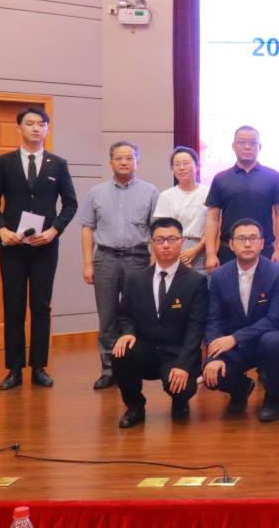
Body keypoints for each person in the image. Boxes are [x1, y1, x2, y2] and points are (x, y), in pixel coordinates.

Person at [0, 106, 78, 390]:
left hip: (44, 247)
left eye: (41, 124)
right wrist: (1, 230)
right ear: (19, 128)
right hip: (12, 246)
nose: (36, 128)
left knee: (40, 306)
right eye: (30, 123)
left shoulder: (58, 164)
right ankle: (14, 369)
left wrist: (54, 230)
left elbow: (70, 204)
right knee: (13, 306)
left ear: (47, 129)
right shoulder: (4, 163)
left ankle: (39, 367)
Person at [111, 217, 208, 428]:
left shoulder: (196, 282)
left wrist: (184, 365)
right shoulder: (135, 279)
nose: (165, 245)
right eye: (160, 240)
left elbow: (196, 328)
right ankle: (135, 406)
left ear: (181, 241)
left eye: (172, 239)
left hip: (176, 353)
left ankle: (180, 402)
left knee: (182, 388)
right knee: (120, 353)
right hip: (146, 349)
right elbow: (125, 315)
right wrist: (128, 332)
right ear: (152, 243)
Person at [80, 141, 159, 390]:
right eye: (119, 158)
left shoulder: (150, 192)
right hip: (105, 259)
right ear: (110, 162)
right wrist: (87, 263)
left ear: (137, 162)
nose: (124, 162)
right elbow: (87, 228)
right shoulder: (96, 192)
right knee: (108, 317)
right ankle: (109, 370)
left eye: (129, 157)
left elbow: (156, 231)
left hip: (138, 259)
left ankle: (132, 367)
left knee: (136, 315)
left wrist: (154, 264)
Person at [203, 218, 279, 422]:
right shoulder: (219, 276)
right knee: (212, 374)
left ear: (262, 243)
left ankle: (272, 399)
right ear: (231, 244)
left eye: (253, 238)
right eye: (241, 239)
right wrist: (213, 357)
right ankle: (240, 389)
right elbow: (213, 319)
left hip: (264, 341)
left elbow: (275, 319)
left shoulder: (278, 274)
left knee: (275, 341)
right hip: (234, 347)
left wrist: (235, 338)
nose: (248, 244)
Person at [204, 125, 279, 270]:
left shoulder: (273, 176)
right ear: (233, 146)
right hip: (228, 250)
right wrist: (210, 254)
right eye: (242, 142)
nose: (247, 147)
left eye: (253, 143)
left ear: (259, 147)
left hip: (264, 249)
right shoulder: (220, 178)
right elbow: (212, 218)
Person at [153, 147, 209, 273]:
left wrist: (197, 248)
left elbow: (213, 228)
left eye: (185, 163)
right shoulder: (166, 196)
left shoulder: (208, 193)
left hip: (202, 249)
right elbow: (162, 230)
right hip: (173, 249)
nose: (181, 168)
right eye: (176, 164)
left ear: (197, 166)